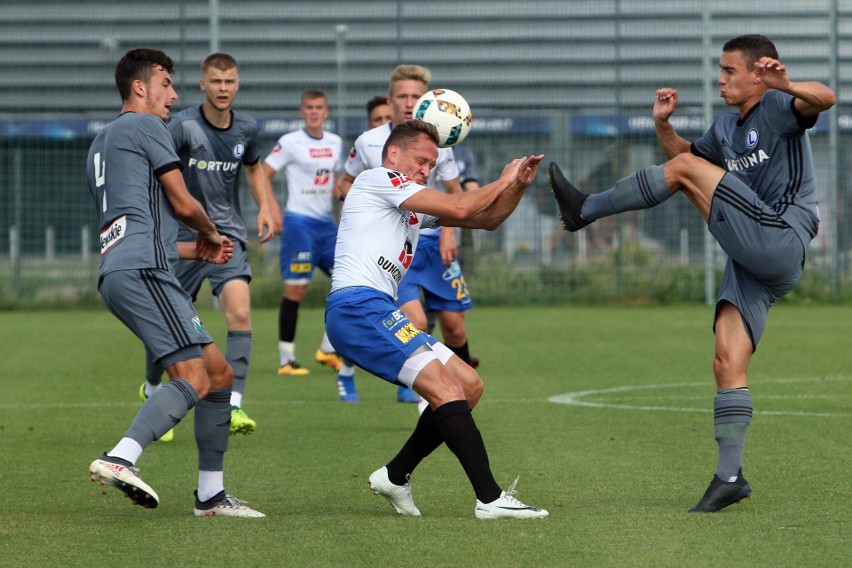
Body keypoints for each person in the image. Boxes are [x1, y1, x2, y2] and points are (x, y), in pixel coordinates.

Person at [548, 34, 835, 513]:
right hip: (753, 260)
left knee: (684, 171)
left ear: (758, 73)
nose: (719, 79)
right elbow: (683, 160)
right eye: (719, 70)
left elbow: (826, 98)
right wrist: (664, 125)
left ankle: (585, 209)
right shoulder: (725, 128)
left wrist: (785, 83)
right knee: (727, 363)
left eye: (728, 71)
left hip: (780, 237)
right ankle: (730, 476)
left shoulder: (782, 105)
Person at [326, 119, 548, 519]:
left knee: (469, 385)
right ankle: (490, 499)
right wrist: (503, 177)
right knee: (445, 389)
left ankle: (395, 476)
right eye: (421, 160)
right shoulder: (377, 179)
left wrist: (517, 186)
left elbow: (486, 219)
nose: (426, 170)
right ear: (394, 154)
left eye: (432, 164)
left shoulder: (408, 208)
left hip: (377, 309)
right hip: (356, 308)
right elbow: (461, 204)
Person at [86, 48, 264, 517]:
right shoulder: (148, 127)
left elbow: (133, 223)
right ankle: (121, 456)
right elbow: (184, 203)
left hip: (123, 269)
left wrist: (193, 249)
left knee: (219, 375)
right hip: (145, 271)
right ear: (140, 87)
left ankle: (211, 496)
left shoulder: (100, 144)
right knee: (193, 376)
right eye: (166, 83)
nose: (173, 94)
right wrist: (212, 233)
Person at [142, 52, 275, 438]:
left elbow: (253, 168)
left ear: (237, 84)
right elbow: (158, 174)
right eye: (215, 82)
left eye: (229, 81)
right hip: (183, 241)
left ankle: (232, 405)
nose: (222, 88)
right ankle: (152, 391)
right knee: (164, 328)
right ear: (203, 84)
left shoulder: (247, 129)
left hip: (227, 237)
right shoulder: (181, 126)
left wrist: (265, 206)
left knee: (239, 313)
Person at [340, 65, 477, 405]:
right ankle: (428, 389)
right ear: (391, 99)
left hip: (431, 236)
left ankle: (458, 385)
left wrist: (448, 235)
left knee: (455, 325)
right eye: (402, 96)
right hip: (393, 252)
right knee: (414, 319)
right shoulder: (369, 141)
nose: (408, 101)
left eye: (416, 96)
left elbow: (454, 196)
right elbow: (346, 182)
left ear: (426, 103)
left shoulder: (440, 145)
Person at [264, 89, 345, 377]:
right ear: (302, 111)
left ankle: (327, 347)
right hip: (299, 224)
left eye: (319, 107)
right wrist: (272, 209)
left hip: (326, 226)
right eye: (309, 107)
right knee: (296, 290)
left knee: (350, 280)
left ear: (326, 112)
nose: (314, 112)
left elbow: (337, 180)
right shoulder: (289, 142)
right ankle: (287, 360)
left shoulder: (335, 142)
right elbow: (262, 173)